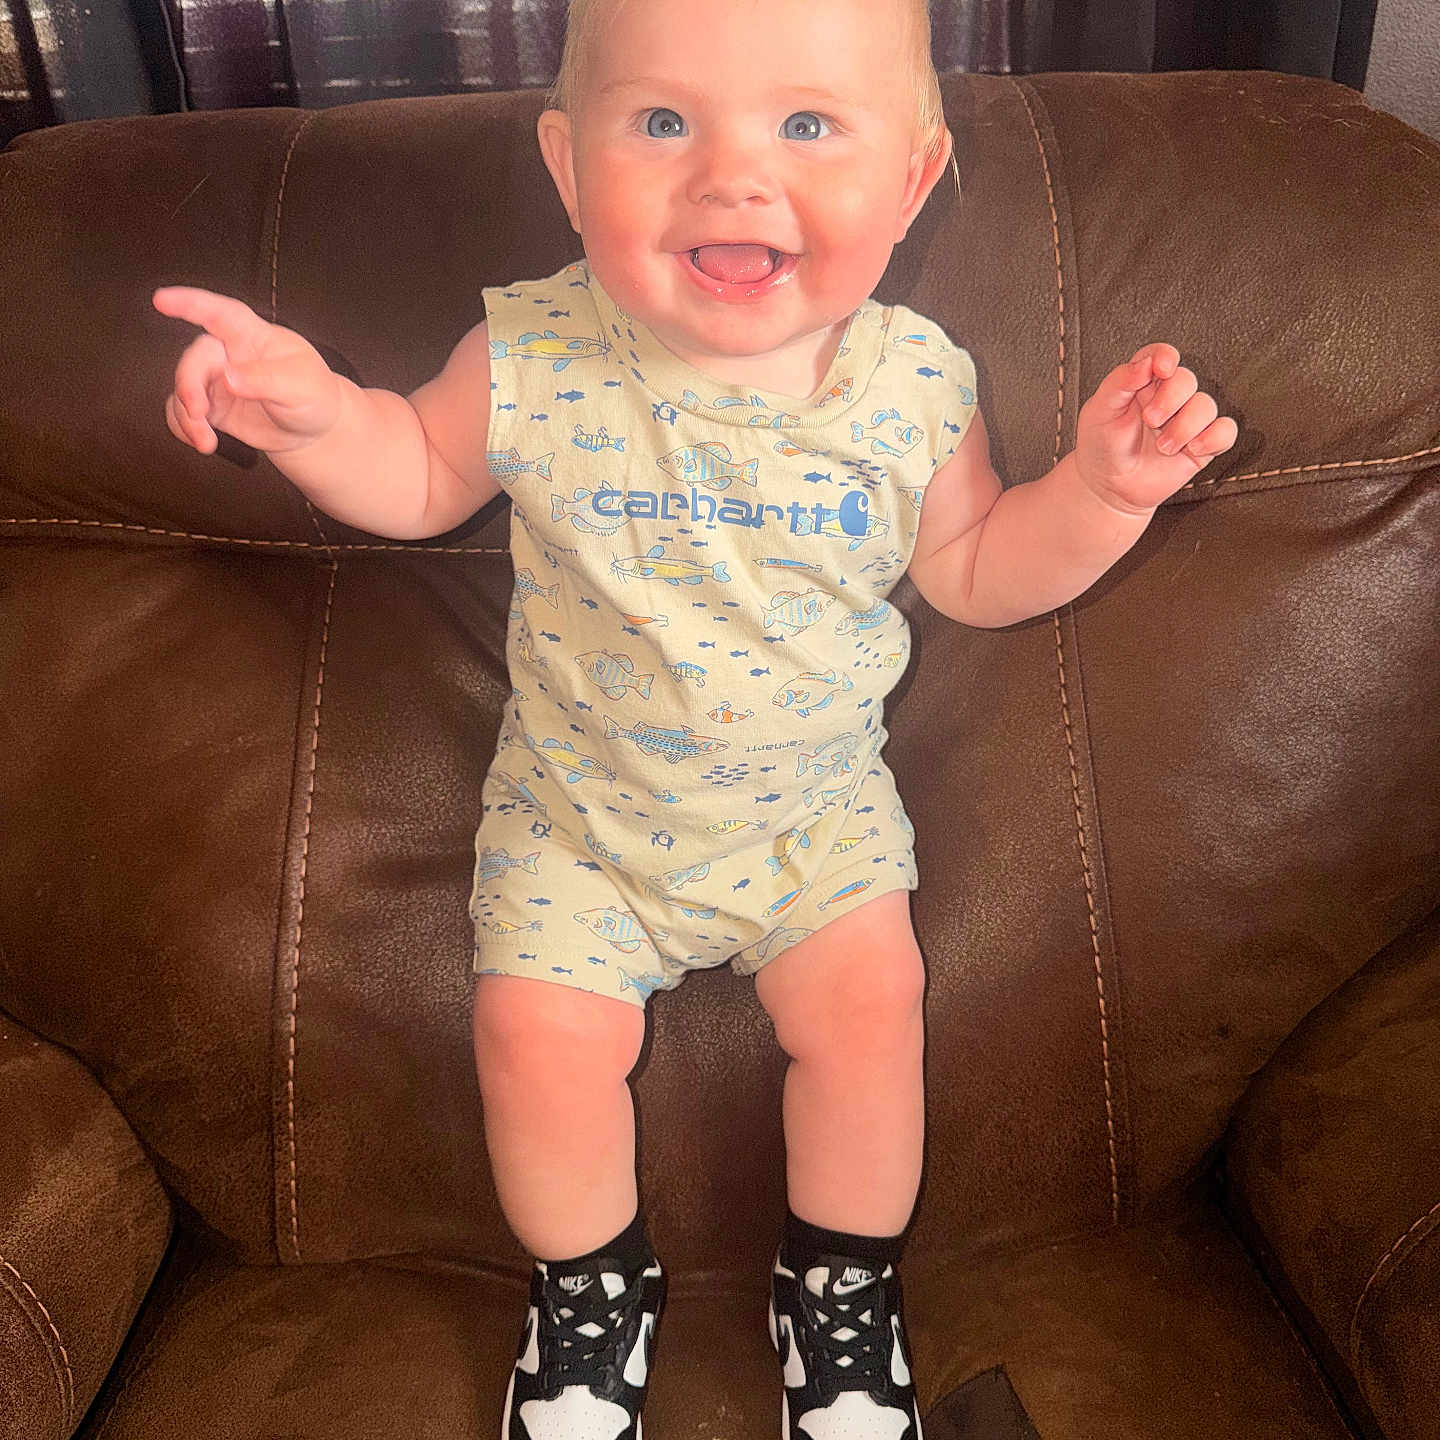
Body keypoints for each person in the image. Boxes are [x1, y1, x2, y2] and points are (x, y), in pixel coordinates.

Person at [153, 0, 1237, 1434]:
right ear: (565, 165)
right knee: (533, 1042)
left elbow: (974, 571)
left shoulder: (914, 384)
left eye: (806, 124)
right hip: (577, 824)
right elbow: (411, 474)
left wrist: (1102, 497)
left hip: (813, 822)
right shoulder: (535, 348)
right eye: (662, 121)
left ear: (911, 182)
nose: (734, 174)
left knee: (870, 1020)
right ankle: (591, 1292)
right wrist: (308, 415)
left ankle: (838, 1293)